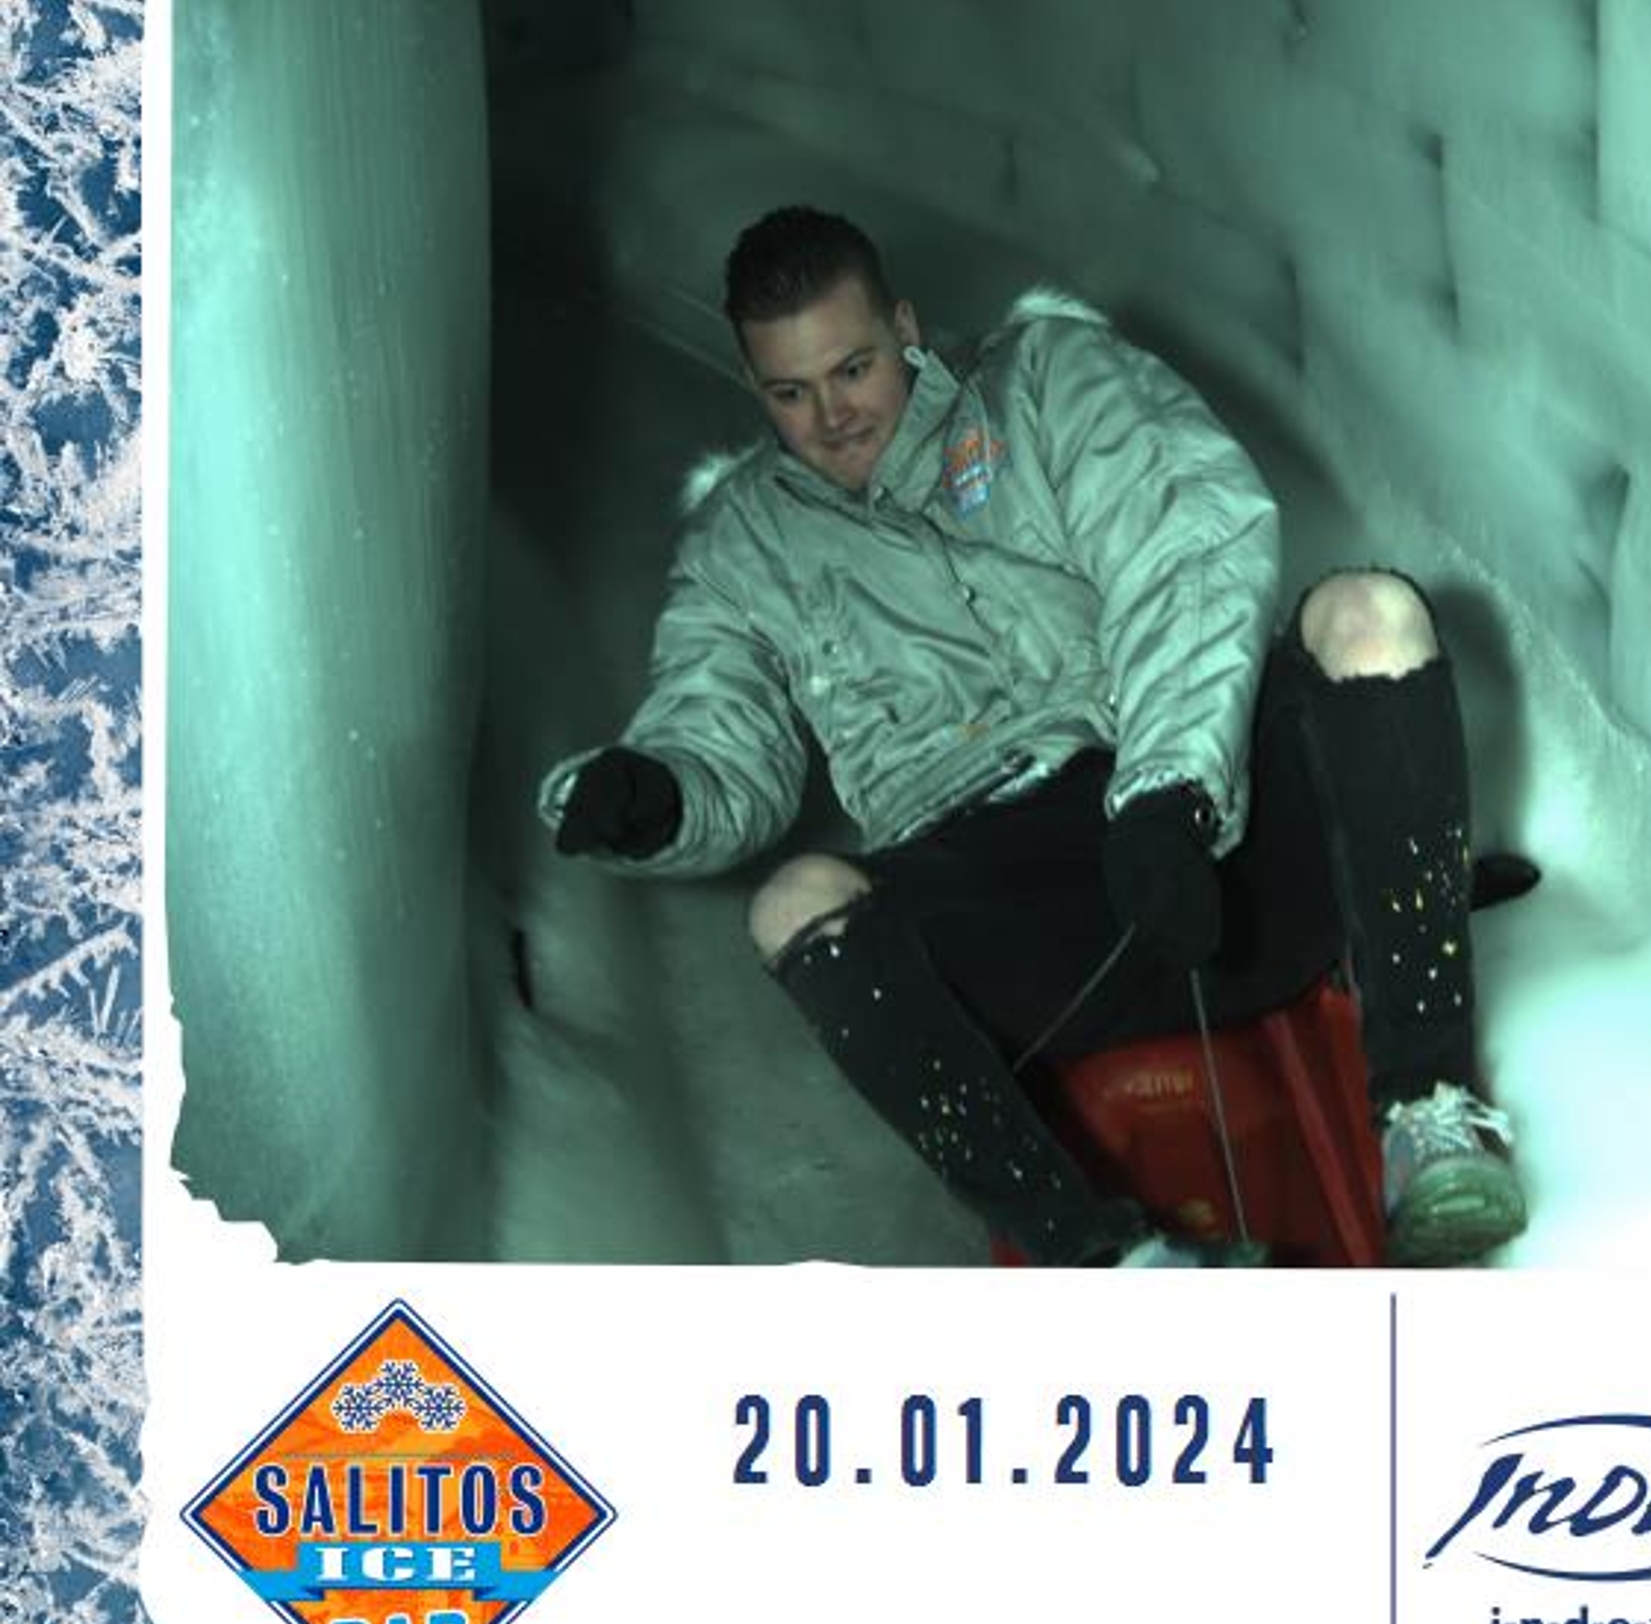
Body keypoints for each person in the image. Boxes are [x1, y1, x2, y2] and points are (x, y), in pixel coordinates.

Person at [541, 205, 1528, 1268]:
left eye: (853, 368)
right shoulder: (744, 543)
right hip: (1009, 920)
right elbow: (719, 737)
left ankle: (1431, 1118)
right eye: (790, 391)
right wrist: (655, 796)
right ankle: (1095, 1255)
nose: (831, 416)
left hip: (1189, 838)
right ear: (752, 384)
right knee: (796, 903)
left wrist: (1171, 794)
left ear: (904, 326)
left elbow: (1183, 554)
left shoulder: (1048, 383)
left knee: (1369, 615)